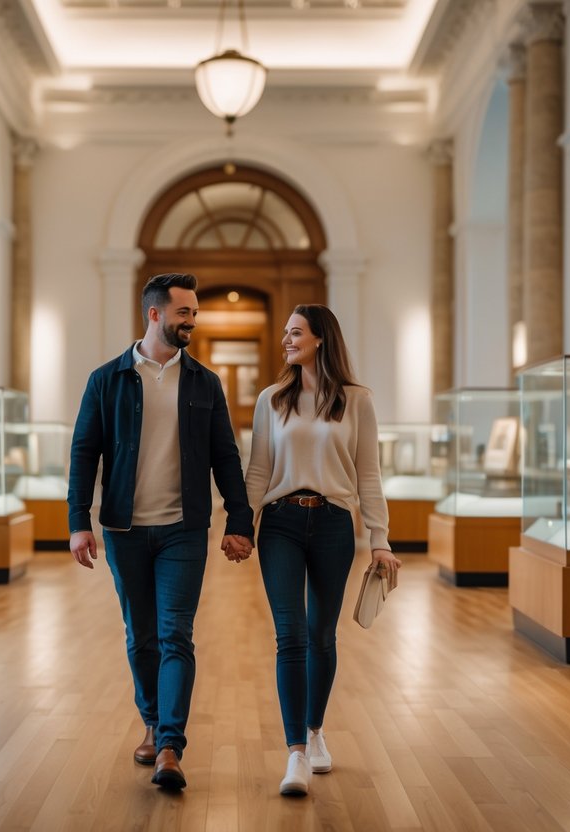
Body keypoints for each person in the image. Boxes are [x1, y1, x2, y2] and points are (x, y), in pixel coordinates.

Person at [68, 272, 255, 791]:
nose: (191, 320)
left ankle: (170, 744)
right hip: (125, 530)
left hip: (183, 531)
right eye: (184, 312)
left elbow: (225, 456)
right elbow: (84, 452)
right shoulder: (106, 379)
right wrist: (77, 522)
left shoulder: (204, 382)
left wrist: (240, 521)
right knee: (141, 637)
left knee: (176, 634)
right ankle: (151, 721)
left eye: (194, 312)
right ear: (154, 314)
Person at [245, 303, 401, 797]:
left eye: (295, 333)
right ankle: (294, 754)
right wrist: (240, 528)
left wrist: (380, 539)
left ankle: (315, 731)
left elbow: (368, 474)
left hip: (335, 524)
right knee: (289, 634)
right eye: (286, 333)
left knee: (321, 634)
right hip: (281, 524)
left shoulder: (358, 401)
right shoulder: (272, 399)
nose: (286, 340)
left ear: (320, 339)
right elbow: (257, 473)